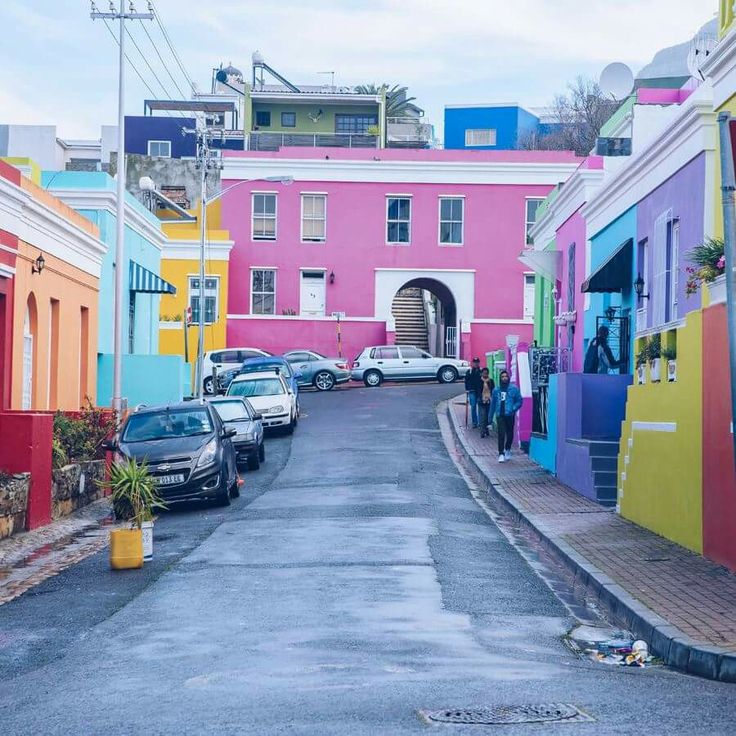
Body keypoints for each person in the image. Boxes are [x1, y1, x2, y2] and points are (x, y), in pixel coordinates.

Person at [489, 369, 523, 463]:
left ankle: (507, 449)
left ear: (508, 378)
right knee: (501, 433)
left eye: (506, 376)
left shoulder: (514, 389)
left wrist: (513, 408)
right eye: (502, 377)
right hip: (500, 415)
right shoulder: (496, 390)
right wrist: (490, 418)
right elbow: (493, 404)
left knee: (510, 433)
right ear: (500, 378)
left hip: (509, 414)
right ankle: (501, 453)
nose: (504, 378)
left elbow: (519, 401)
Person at [464, 357, 482, 428]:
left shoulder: (481, 371)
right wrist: (467, 389)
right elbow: (466, 381)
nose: (476, 364)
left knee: (480, 407)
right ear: (472, 363)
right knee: (473, 406)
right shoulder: (469, 371)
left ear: (479, 363)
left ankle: (480, 422)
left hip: (479, 392)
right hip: (472, 391)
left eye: (477, 362)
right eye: (474, 362)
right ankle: (475, 422)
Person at [478, 367, 495, 438]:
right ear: (481, 373)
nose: (485, 374)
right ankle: (482, 432)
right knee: (483, 416)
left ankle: (486, 430)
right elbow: (478, 391)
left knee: (488, 416)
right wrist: (481, 398)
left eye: (486, 373)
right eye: (484, 373)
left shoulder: (491, 381)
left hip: (489, 400)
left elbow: (493, 390)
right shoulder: (479, 381)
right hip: (481, 401)